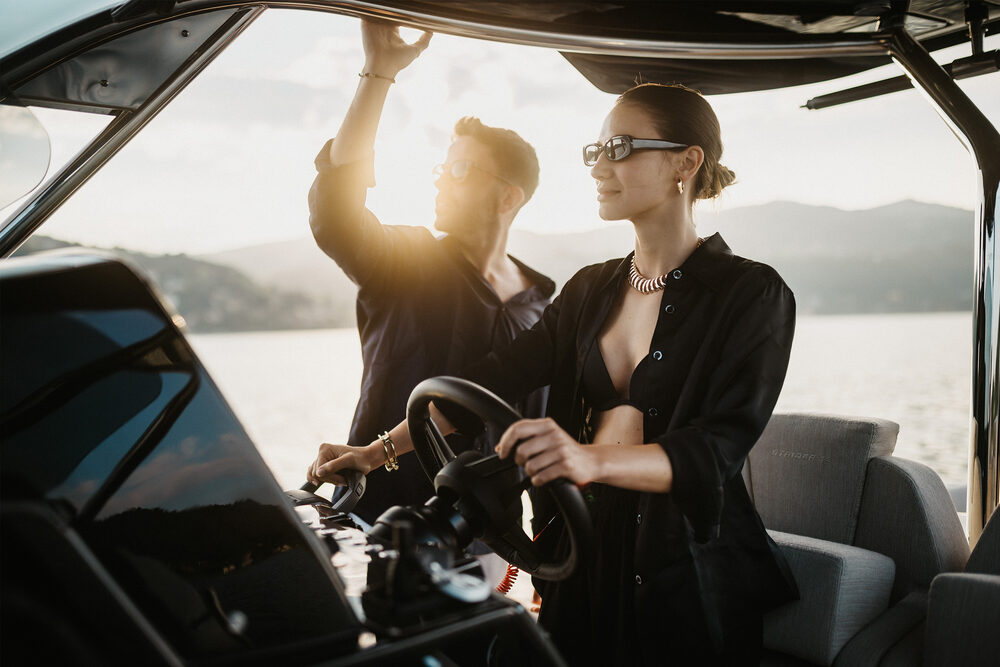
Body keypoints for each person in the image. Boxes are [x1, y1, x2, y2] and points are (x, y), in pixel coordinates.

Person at [309, 82, 797, 665]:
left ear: (686, 162)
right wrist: (375, 452)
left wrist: (587, 458)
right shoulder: (588, 289)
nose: (598, 167)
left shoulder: (752, 293)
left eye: (619, 148)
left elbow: (718, 449)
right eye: (594, 152)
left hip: (686, 566)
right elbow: (491, 382)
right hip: (577, 552)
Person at [307, 20, 555, 525]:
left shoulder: (543, 307)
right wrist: (377, 73)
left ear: (508, 197)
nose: (442, 179)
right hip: (378, 518)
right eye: (443, 166)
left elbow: (546, 432)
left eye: (460, 169)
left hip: (493, 537)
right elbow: (336, 212)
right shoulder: (408, 260)